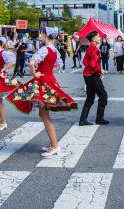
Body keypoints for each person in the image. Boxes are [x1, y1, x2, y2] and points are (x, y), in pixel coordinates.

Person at [8, 27, 77, 157]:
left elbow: (31, 63)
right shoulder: (54, 50)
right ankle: (52, 144)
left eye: (42, 34)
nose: (41, 36)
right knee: (43, 113)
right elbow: (59, 65)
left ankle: (55, 145)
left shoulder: (44, 49)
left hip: (42, 81)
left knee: (45, 115)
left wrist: (35, 73)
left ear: (45, 35)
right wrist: (48, 71)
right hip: (50, 80)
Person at [79, 31, 109, 126]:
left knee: (90, 97)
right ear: (93, 39)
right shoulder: (94, 49)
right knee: (103, 96)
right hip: (93, 75)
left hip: (87, 75)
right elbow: (93, 64)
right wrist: (100, 71)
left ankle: (83, 120)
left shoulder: (90, 48)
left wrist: (97, 69)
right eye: (98, 37)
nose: (100, 38)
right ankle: (99, 119)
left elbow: (84, 61)